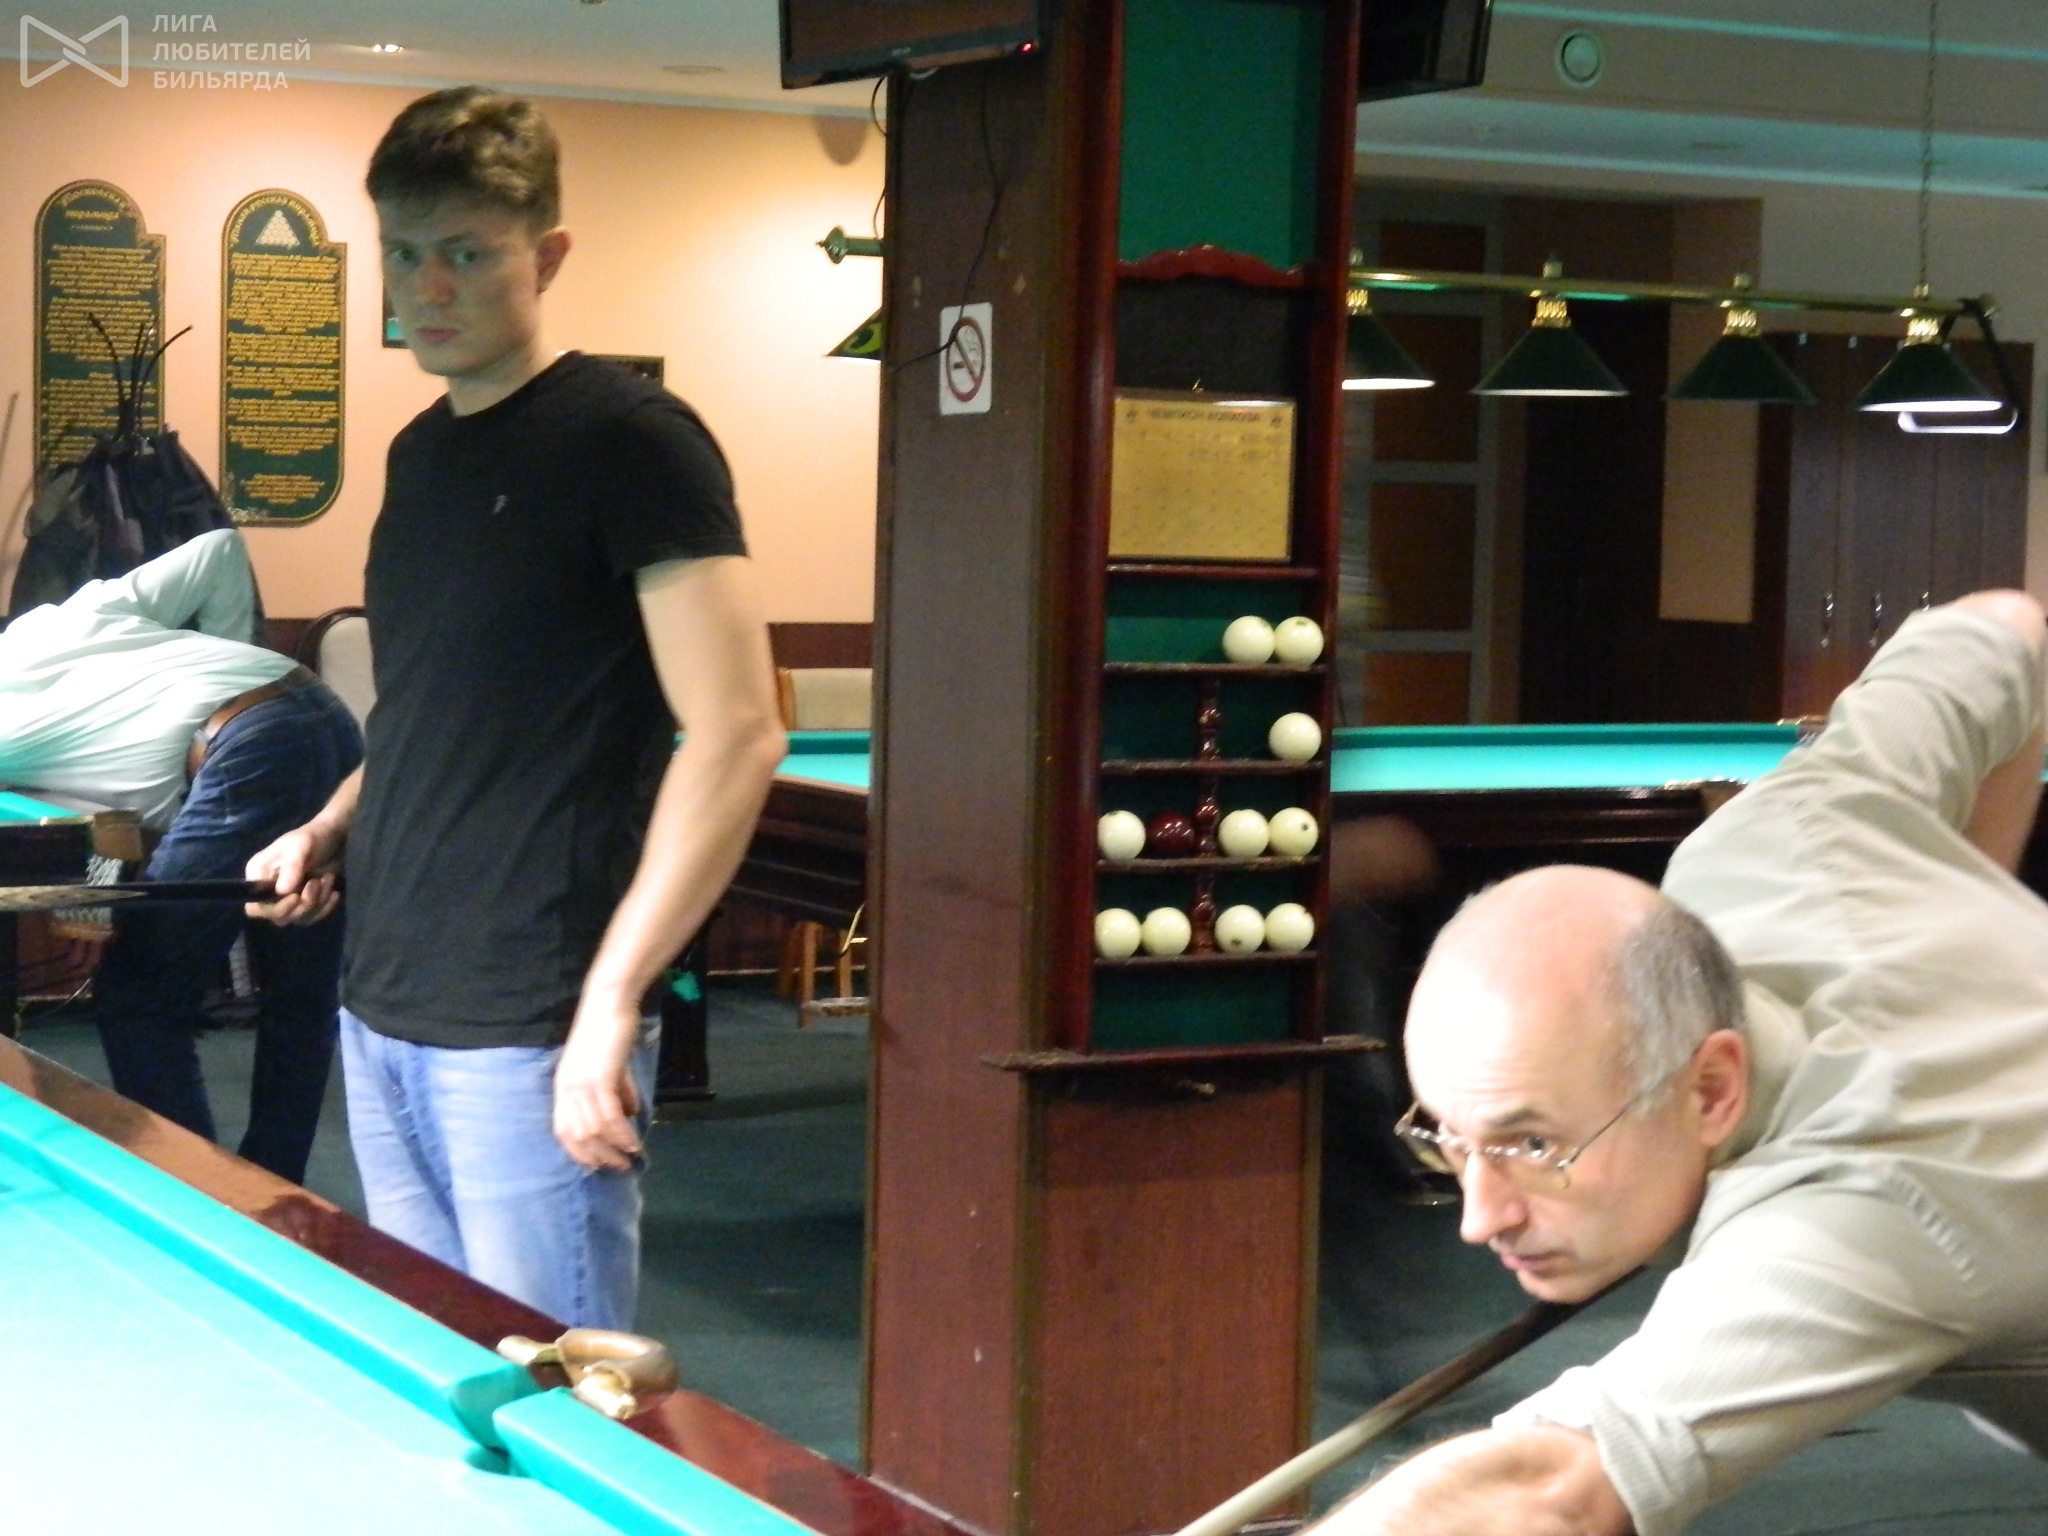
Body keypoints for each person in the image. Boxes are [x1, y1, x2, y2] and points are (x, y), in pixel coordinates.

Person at [1313, 588, 2048, 1536]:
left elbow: (1548, 1494)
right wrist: (1963, 901)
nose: (1479, 1218)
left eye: (1534, 1145)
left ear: (1711, 1089)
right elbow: (2003, 629)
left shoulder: (1865, 1213)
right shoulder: (1774, 838)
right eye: (1449, 1138)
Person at [247, 87, 785, 1332]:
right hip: (383, 996)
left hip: (531, 1020)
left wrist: (610, 1001)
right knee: (443, 1366)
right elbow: (433, 714)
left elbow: (737, 730)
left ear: (546, 256)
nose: (428, 289)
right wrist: (329, 827)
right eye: (404, 255)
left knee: (555, 1385)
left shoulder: (633, 441)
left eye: (467, 254)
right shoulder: (419, 453)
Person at [0, 528, 363, 1182]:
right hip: (319, 710)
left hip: (250, 752)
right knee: (301, 993)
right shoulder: (53, 623)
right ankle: (274, 1188)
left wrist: (227, 724)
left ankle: (204, 1191)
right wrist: (230, 674)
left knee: (139, 998)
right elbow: (219, 549)